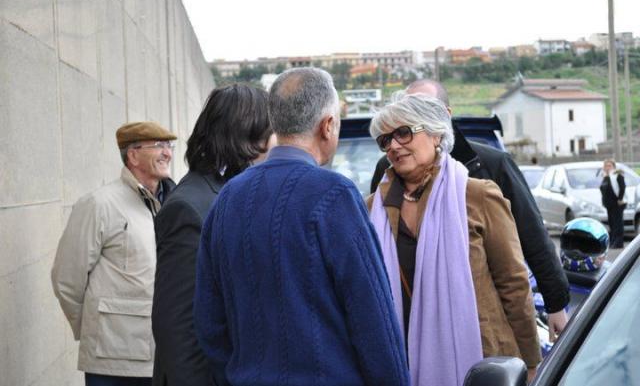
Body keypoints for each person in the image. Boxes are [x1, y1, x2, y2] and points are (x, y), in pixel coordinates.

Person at [193, 67, 409, 386]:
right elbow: (373, 318)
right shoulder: (334, 194)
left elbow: (209, 321)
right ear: (328, 125)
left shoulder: (227, 197)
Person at [371, 79, 570, 342]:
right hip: (404, 330)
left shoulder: (490, 167)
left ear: (442, 118)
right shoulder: (386, 176)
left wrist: (555, 303)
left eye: (420, 110)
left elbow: (530, 238)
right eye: (389, 137)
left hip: (477, 329)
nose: (396, 144)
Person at [368, 94, 541, 385]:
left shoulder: (478, 195)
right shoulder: (372, 209)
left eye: (403, 133)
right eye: (385, 140)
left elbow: (513, 283)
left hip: (482, 358)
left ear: (436, 134)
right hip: (401, 360)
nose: (394, 146)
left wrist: (529, 359)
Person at [152, 85, 274, 386]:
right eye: (272, 132)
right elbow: (179, 331)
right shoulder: (189, 207)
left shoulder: (230, 192)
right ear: (248, 135)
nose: (277, 143)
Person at [51, 121, 177, 386]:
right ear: (133, 155)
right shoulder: (98, 204)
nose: (168, 153)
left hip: (162, 355)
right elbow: (67, 280)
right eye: (159, 145)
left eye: (169, 146)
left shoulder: (173, 204)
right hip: (112, 361)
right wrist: (96, 329)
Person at [600, 158, 626, 248]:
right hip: (609, 204)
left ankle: (618, 242)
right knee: (612, 223)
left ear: (614, 167)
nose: (608, 168)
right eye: (606, 166)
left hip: (617, 203)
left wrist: (620, 199)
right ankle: (613, 241)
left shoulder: (617, 175)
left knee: (617, 223)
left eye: (609, 166)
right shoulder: (605, 177)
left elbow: (622, 187)